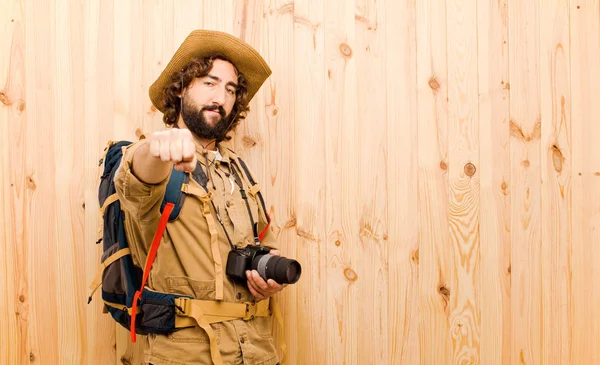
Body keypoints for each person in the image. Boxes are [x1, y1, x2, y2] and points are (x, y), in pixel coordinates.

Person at [114, 29, 285, 365]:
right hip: (187, 355)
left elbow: (265, 243)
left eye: (231, 89)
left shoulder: (238, 170)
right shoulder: (156, 158)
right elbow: (138, 177)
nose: (220, 97)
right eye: (209, 82)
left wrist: (269, 279)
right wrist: (158, 147)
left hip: (258, 352)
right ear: (181, 88)